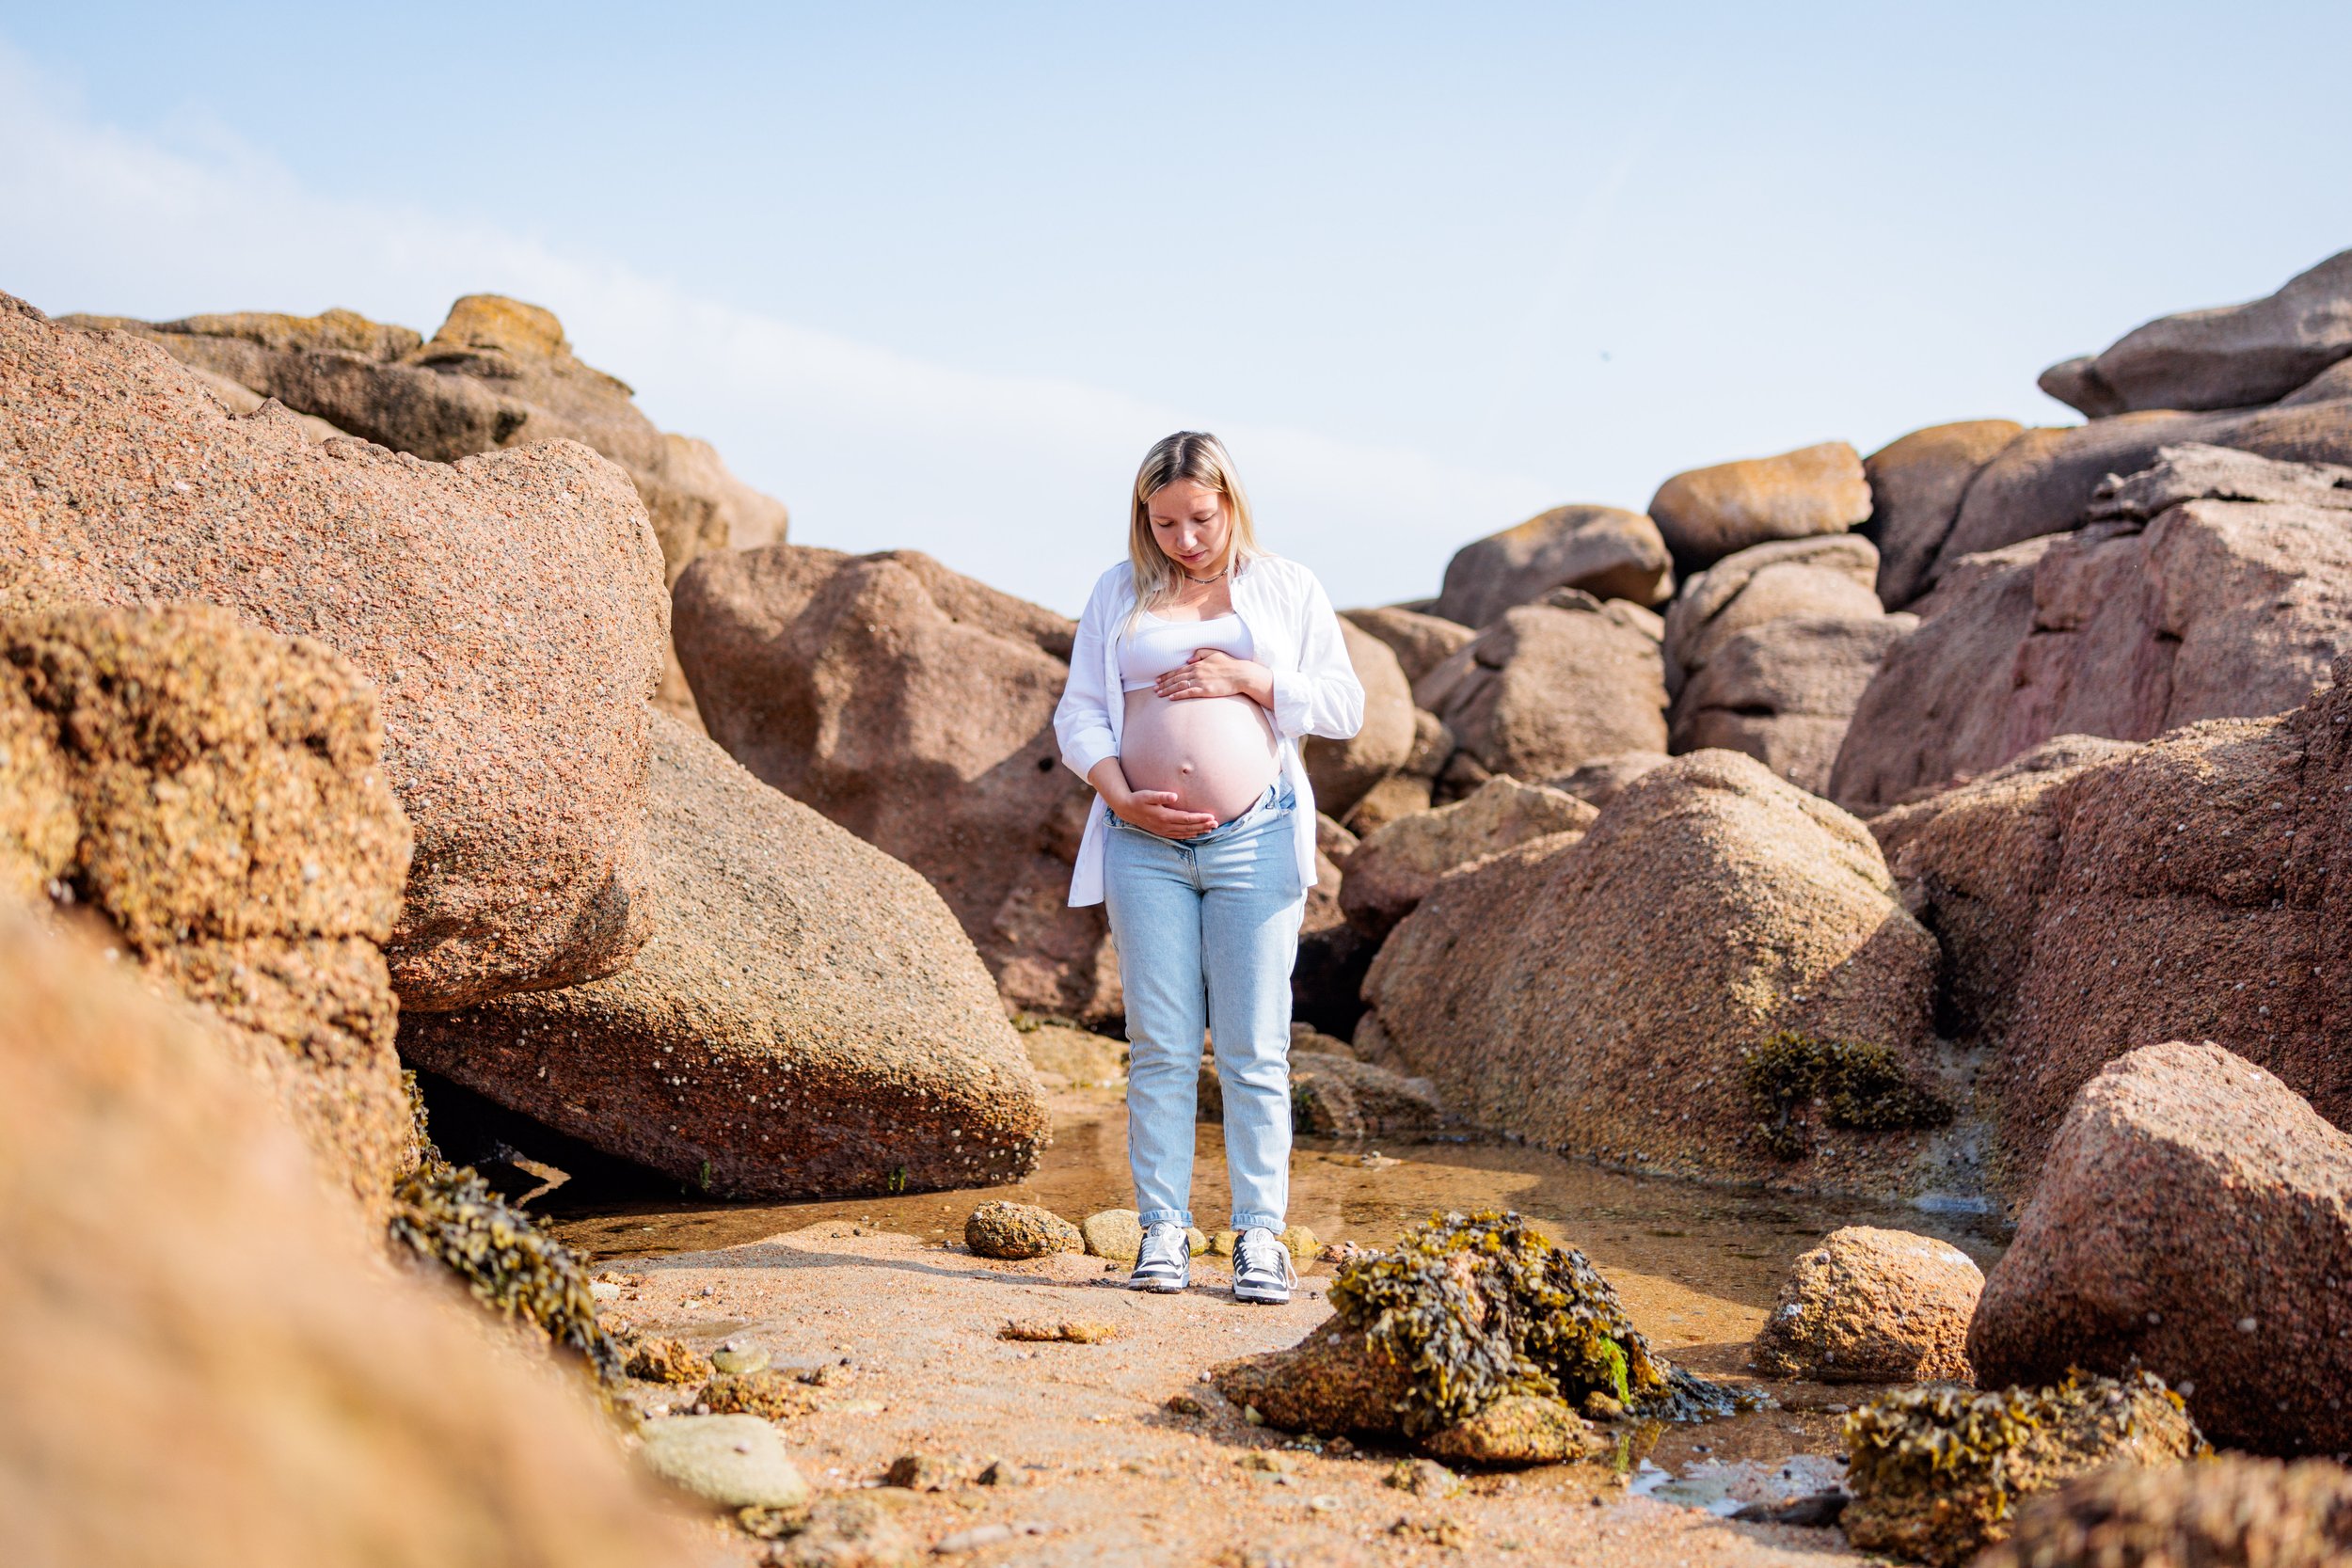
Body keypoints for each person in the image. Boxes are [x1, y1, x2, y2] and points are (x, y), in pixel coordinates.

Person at [1052, 431, 1365, 1304]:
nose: (1185, 540)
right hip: (1142, 844)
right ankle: (1162, 1231)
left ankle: (1260, 1238)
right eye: (1164, 524)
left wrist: (1251, 678)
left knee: (1255, 1049)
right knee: (1158, 1045)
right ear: (1142, 522)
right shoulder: (1118, 592)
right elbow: (1079, 715)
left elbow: (1344, 704)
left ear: (1230, 504)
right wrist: (1121, 795)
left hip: (1253, 840)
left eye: (1200, 518)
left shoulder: (1287, 586)